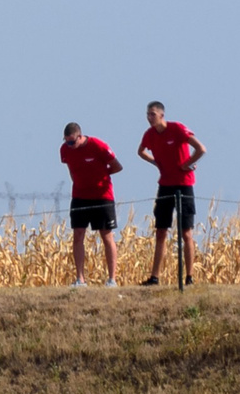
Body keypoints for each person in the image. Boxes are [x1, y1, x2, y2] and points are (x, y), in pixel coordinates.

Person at [137, 101, 206, 286]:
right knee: (161, 231)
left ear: (161, 115)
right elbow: (141, 152)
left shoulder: (177, 129)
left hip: (184, 185)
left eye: (152, 114)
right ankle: (154, 277)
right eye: (147, 114)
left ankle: (189, 277)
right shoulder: (149, 135)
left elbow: (201, 149)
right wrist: (155, 162)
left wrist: (188, 163)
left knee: (186, 233)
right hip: (165, 185)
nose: (149, 117)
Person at [59, 123, 122, 287]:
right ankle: (80, 279)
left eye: (72, 142)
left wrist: (100, 176)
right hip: (80, 196)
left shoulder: (98, 146)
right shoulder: (65, 150)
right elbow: (71, 169)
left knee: (106, 235)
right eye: (66, 142)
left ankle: (112, 279)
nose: (69, 145)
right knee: (78, 235)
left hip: (102, 196)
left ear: (80, 136)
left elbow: (117, 166)